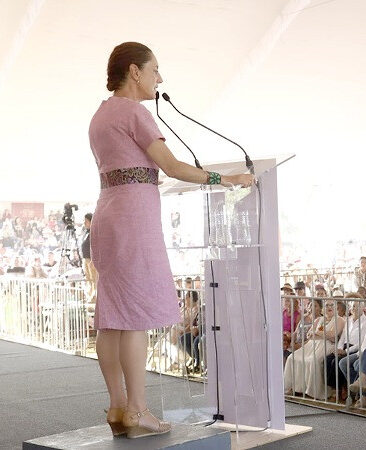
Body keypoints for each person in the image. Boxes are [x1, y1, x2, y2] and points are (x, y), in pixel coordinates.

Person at [90, 42, 254, 439]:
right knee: (134, 318)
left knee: (112, 318)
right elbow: (173, 165)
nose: (159, 79)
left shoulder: (100, 114)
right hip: (133, 220)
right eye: (155, 70)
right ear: (134, 72)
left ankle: (117, 407)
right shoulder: (135, 111)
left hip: (108, 215)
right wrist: (225, 179)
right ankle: (138, 411)